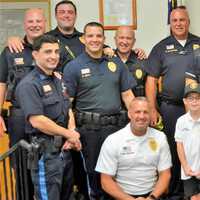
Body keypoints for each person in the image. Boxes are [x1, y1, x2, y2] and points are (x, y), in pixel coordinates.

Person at [63, 22, 135, 199]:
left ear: (104, 39)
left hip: (116, 128)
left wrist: (138, 120)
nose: (94, 39)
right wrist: (71, 131)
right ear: (83, 39)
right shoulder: (73, 67)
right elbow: (67, 104)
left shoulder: (116, 63)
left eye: (98, 36)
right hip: (89, 131)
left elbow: (128, 96)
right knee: (93, 174)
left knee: (119, 170)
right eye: (90, 36)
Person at [15, 34, 81, 200]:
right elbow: (37, 120)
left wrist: (71, 132)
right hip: (45, 153)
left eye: (56, 52)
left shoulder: (58, 80)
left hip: (64, 150)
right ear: (36, 54)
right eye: (48, 52)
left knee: (67, 195)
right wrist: (69, 134)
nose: (54, 56)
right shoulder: (29, 84)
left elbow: (68, 109)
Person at [145, 6, 200, 198]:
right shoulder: (161, 47)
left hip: (197, 109)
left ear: (188, 21)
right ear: (171, 23)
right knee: (172, 150)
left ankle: (195, 191)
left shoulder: (199, 43)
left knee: (197, 149)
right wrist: (152, 109)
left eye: (182, 20)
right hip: (171, 109)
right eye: (175, 20)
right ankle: (175, 192)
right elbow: (151, 79)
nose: (178, 23)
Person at [96, 97, 172, 200]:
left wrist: (152, 198)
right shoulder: (113, 140)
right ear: (129, 114)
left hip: (153, 195)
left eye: (145, 112)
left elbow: (165, 174)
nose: (141, 116)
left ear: (150, 114)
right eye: (137, 112)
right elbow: (106, 181)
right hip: (122, 196)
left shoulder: (160, 137)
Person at [0, 8, 46, 144]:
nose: (35, 24)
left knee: (50, 161)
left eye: (38, 21)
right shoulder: (11, 51)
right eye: (30, 21)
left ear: (45, 23)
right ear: (24, 25)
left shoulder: (54, 49)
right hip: (20, 115)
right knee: (20, 161)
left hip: (48, 112)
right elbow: (1, 83)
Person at [175, 83, 200, 200]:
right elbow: (179, 145)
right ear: (185, 101)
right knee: (192, 198)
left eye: (198, 98)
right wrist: (185, 166)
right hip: (188, 171)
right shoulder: (181, 121)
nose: (194, 101)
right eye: (191, 98)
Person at [115, 26, 147, 97]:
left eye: (129, 38)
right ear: (115, 39)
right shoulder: (107, 59)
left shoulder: (142, 61)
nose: (125, 42)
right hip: (113, 107)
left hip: (137, 106)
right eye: (121, 37)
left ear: (134, 41)